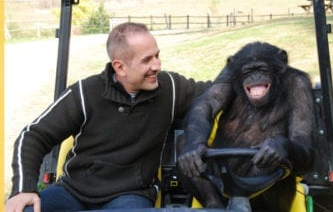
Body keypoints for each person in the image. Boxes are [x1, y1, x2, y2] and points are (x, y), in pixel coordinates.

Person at [5, 22, 210, 212]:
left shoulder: (171, 88)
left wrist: (240, 73)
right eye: (147, 60)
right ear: (120, 67)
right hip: (74, 192)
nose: (157, 65)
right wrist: (24, 190)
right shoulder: (85, 93)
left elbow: (216, 90)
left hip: (130, 195)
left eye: (157, 55)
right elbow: (34, 135)